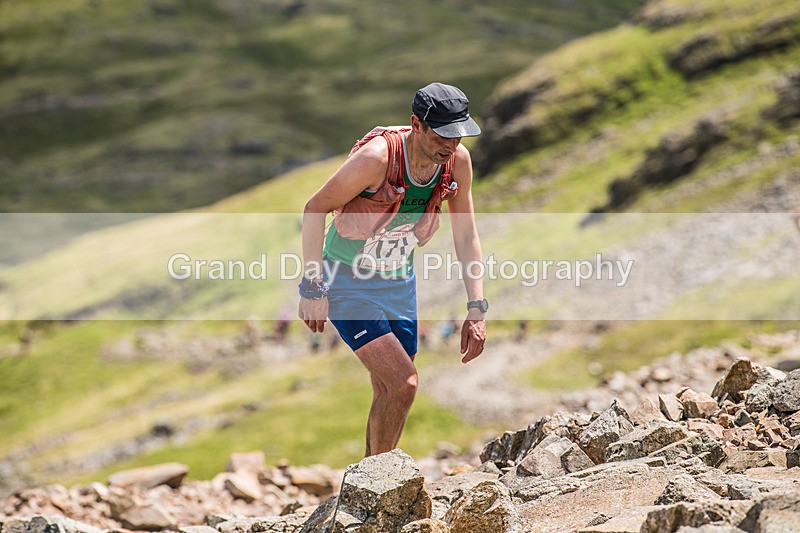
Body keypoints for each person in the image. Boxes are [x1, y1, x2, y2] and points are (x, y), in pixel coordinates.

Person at [298, 82, 488, 457]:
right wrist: (313, 287)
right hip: (346, 280)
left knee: (389, 390)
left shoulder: (457, 162)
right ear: (416, 125)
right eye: (442, 134)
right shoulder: (377, 159)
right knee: (404, 383)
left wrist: (476, 307)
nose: (451, 145)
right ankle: (376, 484)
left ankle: (371, 482)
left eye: (459, 134)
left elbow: (466, 236)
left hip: (399, 283)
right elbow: (314, 208)